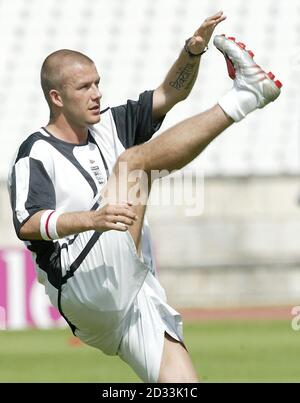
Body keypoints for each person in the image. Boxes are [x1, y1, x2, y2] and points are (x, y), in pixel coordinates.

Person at [7, 10, 281, 383]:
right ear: (56, 97)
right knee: (133, 164)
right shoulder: (36, 151)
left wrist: (192, 50)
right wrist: (92, 218)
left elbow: (171, 93)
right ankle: (246, 97)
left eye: (98, 83)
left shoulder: (110, 124)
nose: (97, 93)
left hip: (132, 293)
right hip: (83, 283)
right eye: (84, 87)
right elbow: (28, 223)